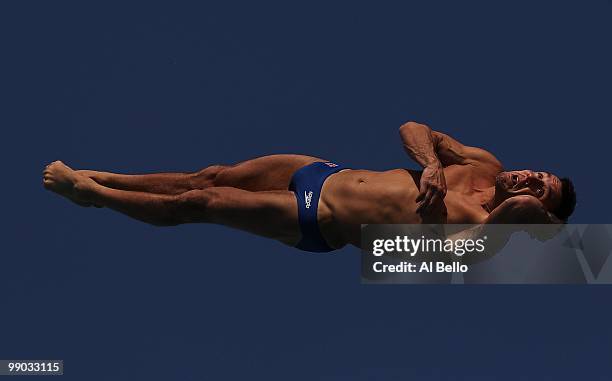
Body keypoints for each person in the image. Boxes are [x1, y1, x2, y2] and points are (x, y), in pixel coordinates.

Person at [43, 121, 576, 253]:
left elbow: (527, 217)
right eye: (538, 170)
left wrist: (544, 215)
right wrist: (431, 166)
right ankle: (105, 174)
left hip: (319, 219)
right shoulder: (483, 163)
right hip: (324, 172)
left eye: (539, 187)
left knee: (197, 203)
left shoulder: (483, 231)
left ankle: (92, 195)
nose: (529, 177)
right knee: (209, 175)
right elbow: (414, 128)